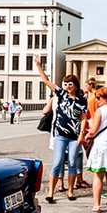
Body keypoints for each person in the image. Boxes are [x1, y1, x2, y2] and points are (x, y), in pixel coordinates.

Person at [35, 57, 86, 203]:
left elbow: (83, 118)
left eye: (70, 84)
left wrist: (81, 134)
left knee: (72, 164)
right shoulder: (61, 94)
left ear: (75, 85)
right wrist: (39, 66)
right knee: (57, 163)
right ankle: (51, 193)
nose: (68, 86)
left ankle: (70, 191)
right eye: (66, 84)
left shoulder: (81, 100)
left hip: (74, 136)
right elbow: (46, 81)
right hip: (60, 135)